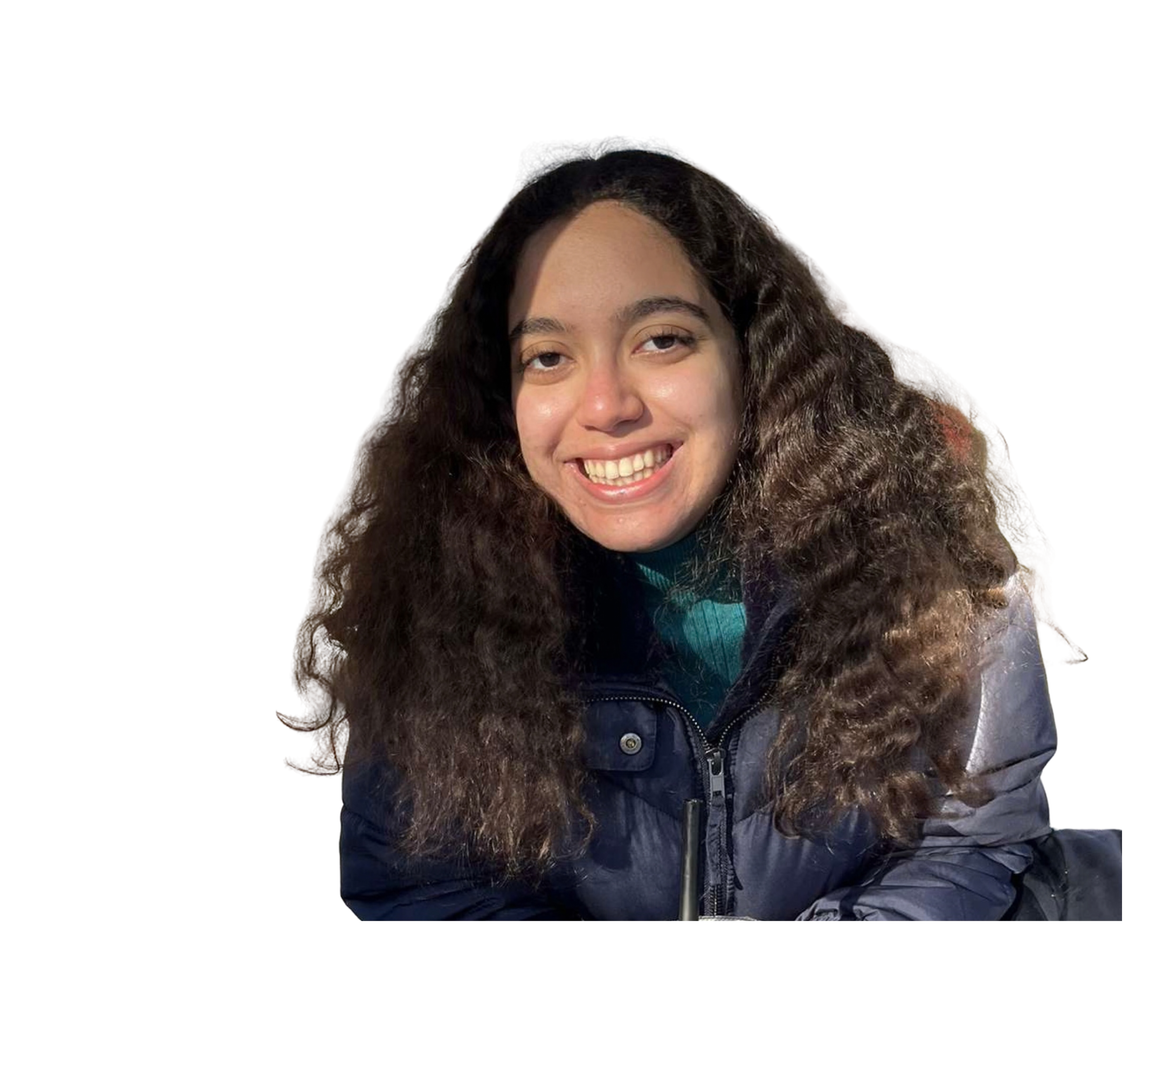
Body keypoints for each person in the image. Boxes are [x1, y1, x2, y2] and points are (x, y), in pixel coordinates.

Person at [285, 147, 1059, 919]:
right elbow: (427, 886)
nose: (606, 405)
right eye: (548, 357)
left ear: (750, 351)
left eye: (662, 339)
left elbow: (973, 834)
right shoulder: (436, 586)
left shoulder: (916, 526)